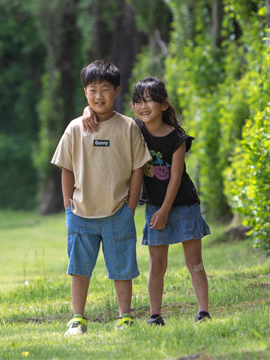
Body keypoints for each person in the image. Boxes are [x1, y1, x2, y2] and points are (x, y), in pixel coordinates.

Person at [83, 76, 211, 326]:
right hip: (154, 205)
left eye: (149, 101)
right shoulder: (134, 129)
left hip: (183, 204)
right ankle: (155, 315)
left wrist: (165, 210)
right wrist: (88, 109)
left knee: (194, 261)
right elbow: (105, 113)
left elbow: (175, 178)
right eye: (138, 102)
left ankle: (203, 312)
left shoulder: (177, 138)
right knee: (157, 263)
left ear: (164, 105)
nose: (143, 106)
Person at [51, 60, 151, 335]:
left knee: (123, 267)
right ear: (85, 92)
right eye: (92, 90)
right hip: (81, 211)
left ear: (116, 91)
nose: (98, 96)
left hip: (118, 210)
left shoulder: (128, 127)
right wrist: (67, 205)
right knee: (79, 269)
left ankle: (125, 317)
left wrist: (130, 207)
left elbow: (137, 169)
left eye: (105, 89)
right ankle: (77, 318)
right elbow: (66, 168)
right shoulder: (75, 127)